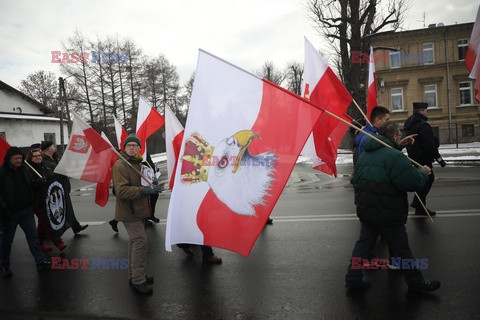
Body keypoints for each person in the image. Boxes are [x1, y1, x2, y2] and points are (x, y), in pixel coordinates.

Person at [345, 121, 440, 292]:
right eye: (399, 136)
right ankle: (416, 282)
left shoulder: (366, 154)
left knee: (363, 247)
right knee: (402, 249)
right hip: (388, 213)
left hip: (367, 211)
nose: (400, 138)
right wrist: (423, 173)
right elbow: (411, 182)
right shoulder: (394, 157)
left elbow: (357, 182)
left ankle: (353, 280)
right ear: (395, 136)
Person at [112, 134, 161, 294]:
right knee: (140, 242)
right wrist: (144, 190)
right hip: (129, 211)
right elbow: (121, 191)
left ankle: (135, 276)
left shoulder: (138, 163)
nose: (132, 148)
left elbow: (142, 181)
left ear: (140, 148)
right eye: (129, 145)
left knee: (135, 243)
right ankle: (138, 281)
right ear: (124, 148)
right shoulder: (121, 165)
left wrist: (152, 183)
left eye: (135, 145)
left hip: (139, 210)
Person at [0, 147, 51, 278]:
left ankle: (40, 261)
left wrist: (36, 184)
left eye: (20, 158)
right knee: (7, 241)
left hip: (26, 210)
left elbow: (29, 185)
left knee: (33, 237)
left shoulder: (24, 169)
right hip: (9, 213)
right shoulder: (2, 172)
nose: (19, 160)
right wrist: (4, 208)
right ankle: (4, 265)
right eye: (16, 158)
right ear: (9, 159)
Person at [403, 102, 446, 216]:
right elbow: (429, 144)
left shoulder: (410, 123)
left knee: (423, 179)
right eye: (425, 110)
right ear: (421, 111)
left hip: (414, 156)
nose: (427, 112)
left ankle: (419, 206)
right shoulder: (423, 125)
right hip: (424, 157)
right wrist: (439, 159)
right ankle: (419, 205)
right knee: (428, 179)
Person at [40, 141, 88, 233]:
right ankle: (47, 231)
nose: (54, 147)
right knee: (55, 210)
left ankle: (75, 226)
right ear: (48, 149)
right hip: (55, 189)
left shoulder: (55, 157)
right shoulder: (45, 161)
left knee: (68, 207)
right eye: (52, 146)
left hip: (63, 185)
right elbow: (50, 175)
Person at [26, 146, 67, 252]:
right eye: (35, 156)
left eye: (39, 155)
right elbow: (27, 184)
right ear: (30, 158)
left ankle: (39, 244)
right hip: (36, 201)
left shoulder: (44, 166)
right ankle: (59, 242)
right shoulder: (27, 169)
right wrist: (36, 183)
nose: (38, 157)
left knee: (42, 224)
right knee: (48, 221)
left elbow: (51, 178)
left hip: (47, 200)